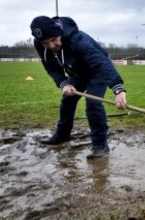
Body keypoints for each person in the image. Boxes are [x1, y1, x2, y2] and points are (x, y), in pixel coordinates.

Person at [30, 16, 127, 159]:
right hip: (76, 72)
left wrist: (118, 89)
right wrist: (64, 83)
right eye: (46, 43)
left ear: (59, 33)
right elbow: (50, 67)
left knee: (93, 104)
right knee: (67, 101)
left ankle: (100, 146)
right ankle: (62, 135)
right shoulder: (39, 44)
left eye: (54, 40)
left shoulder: (78, 40)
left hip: (96, 71)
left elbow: (102, 63)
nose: (51, 46)